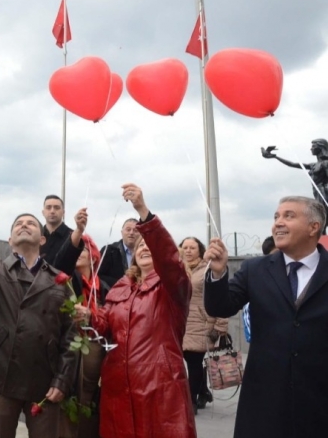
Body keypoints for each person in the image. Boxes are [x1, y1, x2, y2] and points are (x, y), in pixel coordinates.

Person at [0, 195, 85, 438]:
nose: (24, 225)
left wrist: (62, 380)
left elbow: (70, 337)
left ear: (42, 239)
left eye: (31, 223)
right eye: (18, 224)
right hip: (0, 376)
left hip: (44, 380)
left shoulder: (60, 280)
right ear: (9, 240)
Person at [204, 196, 328, 437]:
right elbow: (221, 307)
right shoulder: (255, 269)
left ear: (314, 227)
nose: (278, 223)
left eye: (289, 216)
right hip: (265, 399)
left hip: (319, 400)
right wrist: (218, 273)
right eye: (276, 217)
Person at [77, 184, 195, 438]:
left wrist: (143, 211)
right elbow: (106, 324)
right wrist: (89, 317)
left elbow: (169, 259)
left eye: (149, 245)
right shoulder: (120, 288)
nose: (143, 247)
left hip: (159, 386)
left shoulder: (173, 286)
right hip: (118, 385)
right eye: (139, 245)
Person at [61, 234, 104, 438]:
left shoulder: (104, 286)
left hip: (94, 349)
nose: (78, 253)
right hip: (70, 347)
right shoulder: (66, 281)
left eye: (83, 249)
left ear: (93, 256)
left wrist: (93, 315)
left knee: (88, 398)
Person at [179, 236, 228, 413]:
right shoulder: (178, 269)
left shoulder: (207, 268)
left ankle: (191, 401)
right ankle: (204, 391)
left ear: (200, 250)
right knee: (190, 361)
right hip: (181, 323)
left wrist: (220, 326)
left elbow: (221, 295)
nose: (188, 251)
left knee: (193, 361)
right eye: (185, 247)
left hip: (202, 323)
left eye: (192, 247)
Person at [261, 139, 328, 206]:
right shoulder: (313, 165)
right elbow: (291, 164)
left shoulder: (326, 163)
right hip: (317, 191)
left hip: (324, 191)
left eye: (313, 146)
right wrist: (275, 157)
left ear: (321, 147)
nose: (311, 149)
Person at [97, 218, 140, 293]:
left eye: (135, 230)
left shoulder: (144, 253)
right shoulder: (109, 251)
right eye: (128, 229)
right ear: (122, 232)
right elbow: (97, 275)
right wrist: (121, 284)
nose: (131, 233)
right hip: (114, 296)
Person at [40, 194, 73, 264]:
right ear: (43, 212)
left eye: (56, 208)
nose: (52, 211)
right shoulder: (36, 236)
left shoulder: (73, 236)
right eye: (48, 207)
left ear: (63, 212)